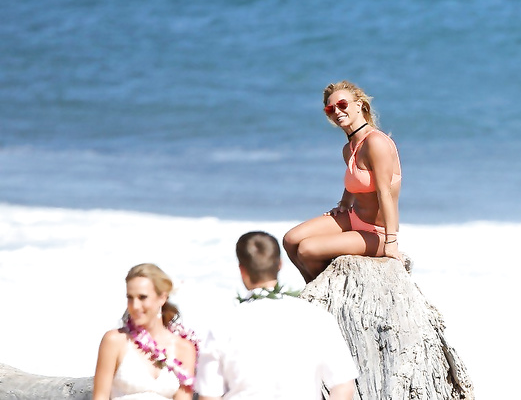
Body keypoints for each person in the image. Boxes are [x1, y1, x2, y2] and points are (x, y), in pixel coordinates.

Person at [195, 231, 358, 400]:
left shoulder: (222, 326)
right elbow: (343, 386)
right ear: (280, 264)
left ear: (241, 270)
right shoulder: (317, 318)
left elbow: (209, 395)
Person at [284, 80, 402, 283]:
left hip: (378, 232)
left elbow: (385, 193)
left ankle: (324, 293)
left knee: (306, 249)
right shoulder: (349, 149)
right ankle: (316, 290)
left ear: (359, 105)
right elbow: (355, 180)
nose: (337, 111)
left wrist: (391, 242)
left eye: (342, 104)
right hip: (353, 217)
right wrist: (344, 204)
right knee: (290, 240)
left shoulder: (376, 142)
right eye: (330, 109)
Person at [94, 263, 198, 400]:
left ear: (162, 298)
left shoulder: (184, 349)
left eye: (142, 297)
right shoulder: (115, 340)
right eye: (130, 297)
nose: (135, 306)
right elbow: (100, 396)